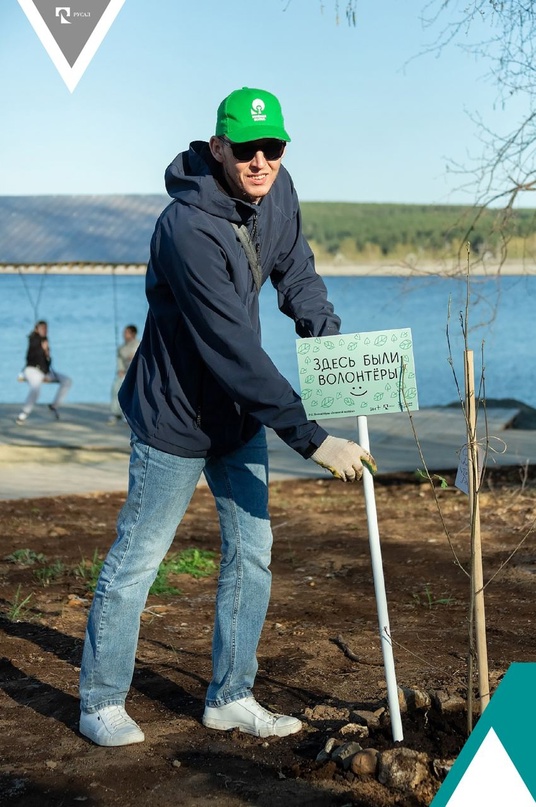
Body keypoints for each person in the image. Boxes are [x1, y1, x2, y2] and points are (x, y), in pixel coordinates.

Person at [78, 87, 376, 748]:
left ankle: (231, 695)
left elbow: (294, 267)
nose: (262, 160)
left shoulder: (279, 187)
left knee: (253, 553)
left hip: (237, 418)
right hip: (174, 420)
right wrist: (312, 438)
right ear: (218, 148)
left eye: (274, 147)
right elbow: (233, 351)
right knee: (139, 558)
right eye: (247, 149)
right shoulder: (186, 228)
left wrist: (323, 335)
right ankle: (99, 699)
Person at [16, 320, 72, 425]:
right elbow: (32, 356)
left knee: (67, 381)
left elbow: (47, 361)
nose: (45, 331)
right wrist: (42, 348)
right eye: (42, 328)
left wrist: (47, 353)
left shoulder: (45, 340)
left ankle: (54, 406)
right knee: (36, 388)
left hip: (44, 372)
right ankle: (24, 412)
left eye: (46, 329)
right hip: (32, 370)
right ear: (37, 329)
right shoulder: (34, 339)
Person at [108, 324, 140, 424]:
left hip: (136, 374)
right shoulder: (122, 347)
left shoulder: (139, 345)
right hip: (125, 373)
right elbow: (119, 360)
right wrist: (120, 369)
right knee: (115, 388)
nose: (124, 334)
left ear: (133, 334)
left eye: (127, 332)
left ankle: (128, 413)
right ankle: (115, 412)